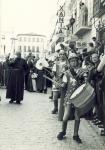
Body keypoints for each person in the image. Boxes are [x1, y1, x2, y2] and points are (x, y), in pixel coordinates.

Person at [57, 53, 88, 143]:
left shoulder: (82, 71)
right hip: (69, 96)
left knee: (77, 115)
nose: (73, 63)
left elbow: (85, 83)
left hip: (79, 96)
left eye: (75, 61)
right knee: (66, 115)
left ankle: (75, 134)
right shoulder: (66, 73)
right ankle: (63, 131)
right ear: (69, 63)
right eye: (71, 61)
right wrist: (61, 85)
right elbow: (64, 84)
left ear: (78, 61)